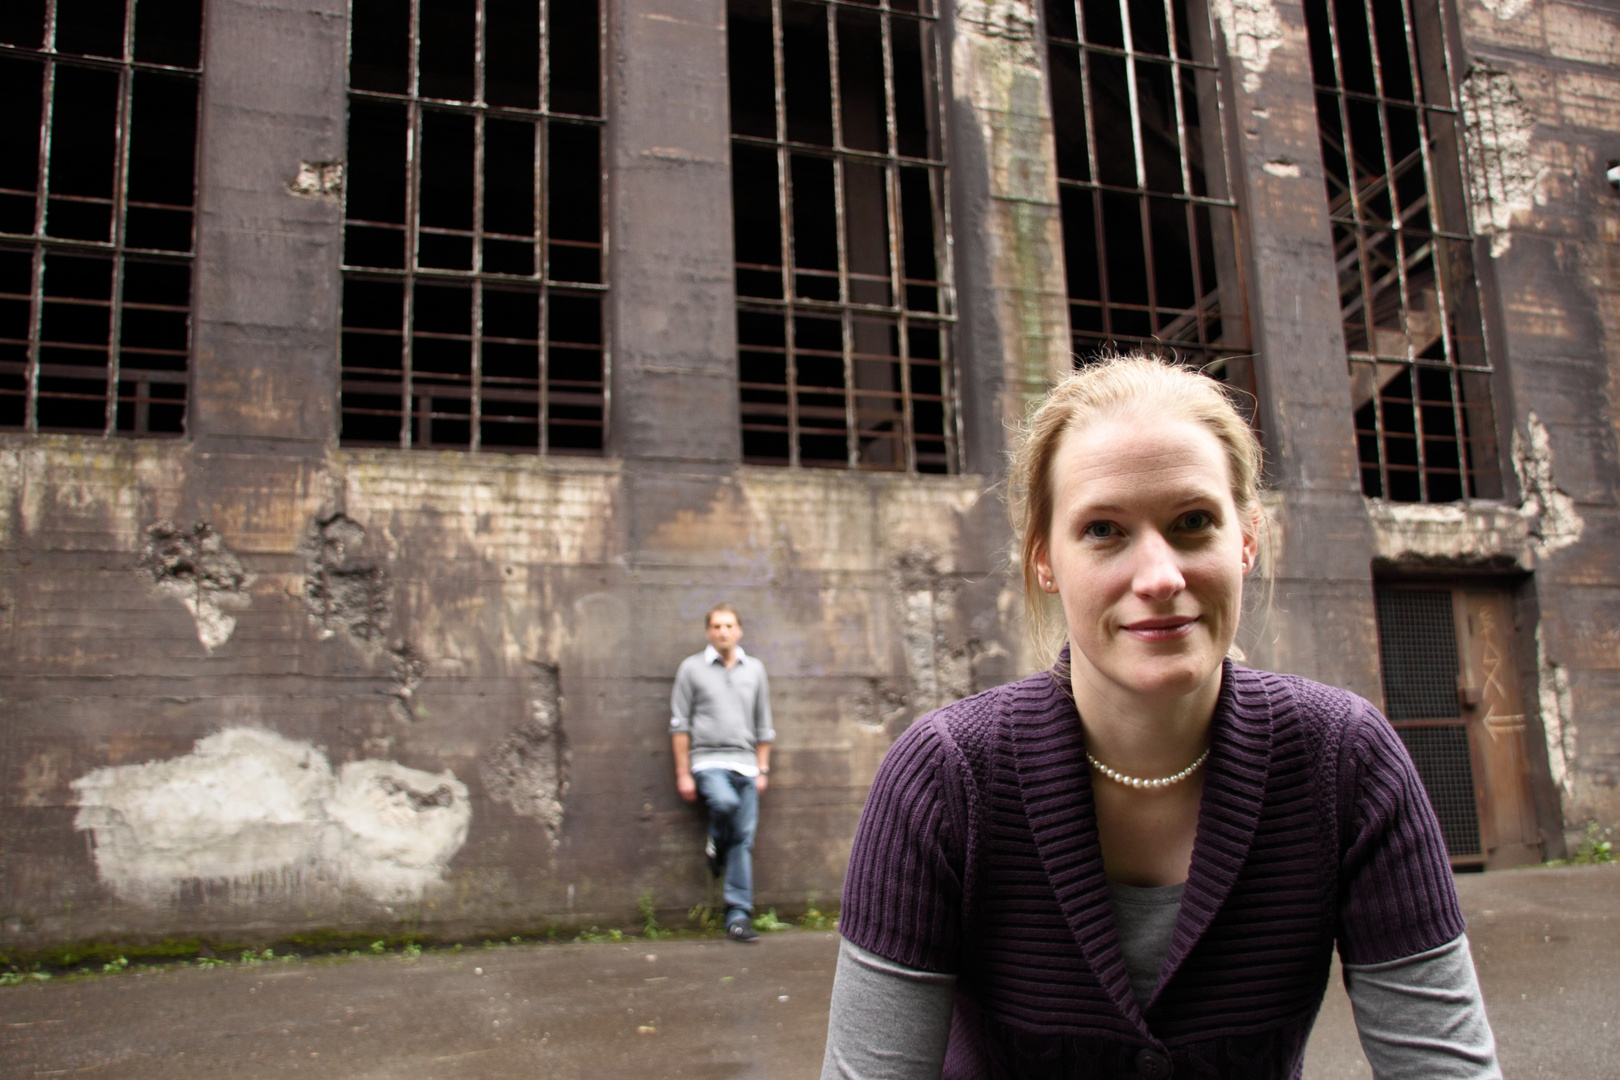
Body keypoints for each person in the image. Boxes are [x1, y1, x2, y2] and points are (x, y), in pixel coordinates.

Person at [821, 356, 1500, 1079]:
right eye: (1105, 530)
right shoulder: (944, 779)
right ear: (1044, 559)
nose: (1160, 577)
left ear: (1246, 538)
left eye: (1194, 522)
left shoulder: (1346, 761)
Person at [671, 603, 775, 944]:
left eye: (729, 625)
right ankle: (716, 841)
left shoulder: (755, 669)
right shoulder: (691, 669)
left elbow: (764, 723)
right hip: (708, 762)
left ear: (739, 630)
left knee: (743, 841)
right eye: (716, 626)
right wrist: (683, 773)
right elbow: (680, 724)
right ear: (708, 632)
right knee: (725, 805)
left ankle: (738, 914)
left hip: (746, 763)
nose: (723, 632)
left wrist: (762, 769)